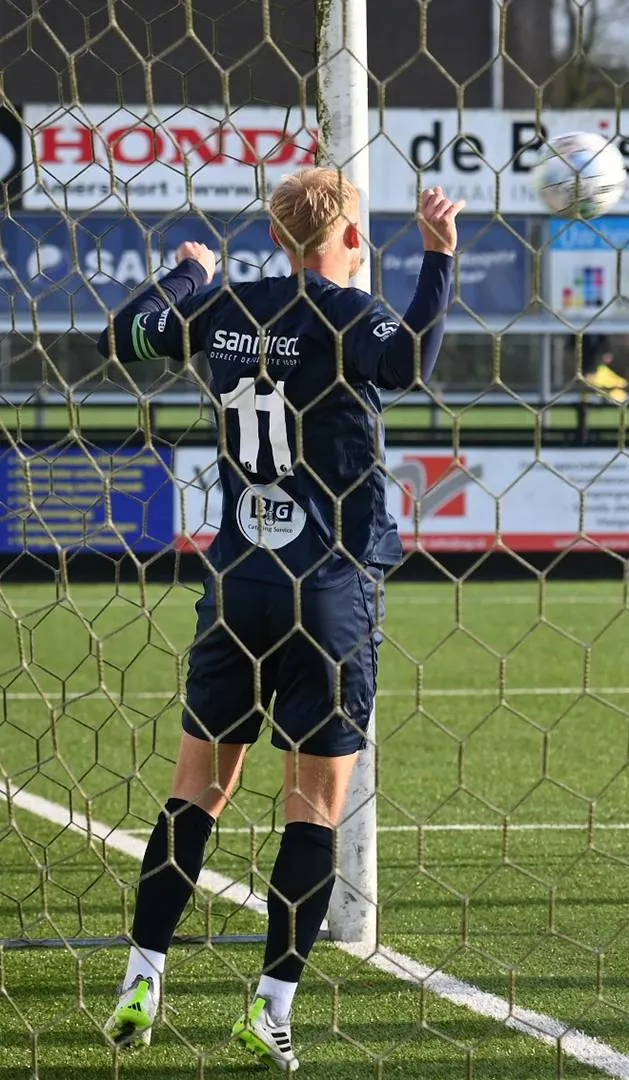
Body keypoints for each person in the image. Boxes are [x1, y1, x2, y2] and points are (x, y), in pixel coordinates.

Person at [95, 172, 463, 1069]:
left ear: (276, 232)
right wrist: (442, 255)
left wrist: (187, 271)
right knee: (313, 808)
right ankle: (270, 1011)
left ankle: (143, 973)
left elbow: (126, 334)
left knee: (197, 791)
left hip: (238, 585)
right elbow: (411, 358)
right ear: (349, 238)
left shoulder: (223, 306)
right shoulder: (348, 313)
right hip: (329, 593)